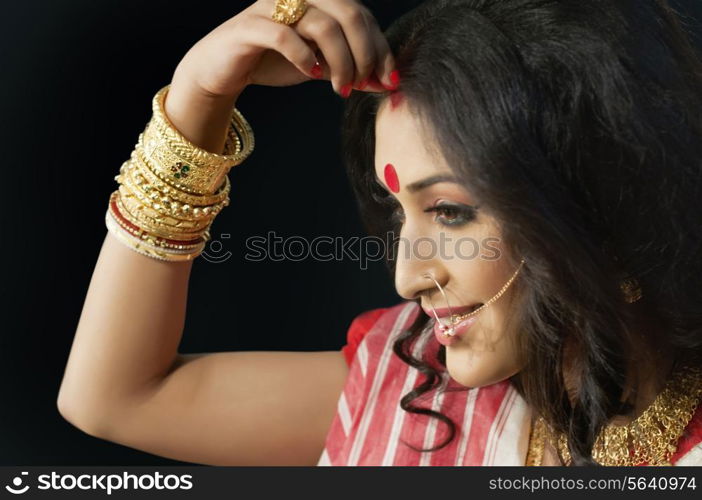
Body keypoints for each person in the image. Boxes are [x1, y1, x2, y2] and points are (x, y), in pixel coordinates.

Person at [57, 0, 702, 466]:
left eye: (449, 211)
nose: (405, 277)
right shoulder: (414, 389)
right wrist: (198, 101)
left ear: (593, 196)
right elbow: (113, 398)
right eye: (399, 213)